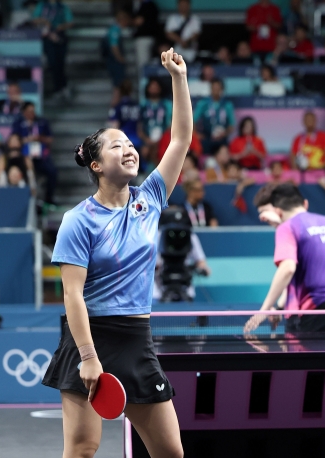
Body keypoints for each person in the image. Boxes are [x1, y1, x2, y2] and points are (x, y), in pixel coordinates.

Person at [41, 48, 191, 458]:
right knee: (83, 449)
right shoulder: (78, 220)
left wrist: (179, 79)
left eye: (130, 144)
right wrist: (88, 357)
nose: (128, 149)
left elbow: (180, 139)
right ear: (95, 165)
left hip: (136, 336)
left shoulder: (151, 198)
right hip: (89, 336)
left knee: (170, 451)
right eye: (115, 146)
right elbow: (72, 294)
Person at [244, 183, 325, 334]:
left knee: (310, 356)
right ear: (305, 204)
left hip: (322, 306)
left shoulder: (286, 228)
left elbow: (287, 269)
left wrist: (264, 310)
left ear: (278, 212)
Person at [12, 102, 57, 204]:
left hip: (40, 157)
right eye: (29, 111)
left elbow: (50, 139)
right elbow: (13, 140)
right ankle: (22, 200)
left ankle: (48, 199)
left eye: (33, 111)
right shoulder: (18, 123)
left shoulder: (42, 122)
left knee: (52, 172)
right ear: (23, 112)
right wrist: (26, 140)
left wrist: (40, 138)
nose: (31, 113)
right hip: (24, 156)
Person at [31, 0, 73, 99]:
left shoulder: (62, 7)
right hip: (46, 36)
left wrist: (60, 27)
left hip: (59, 36)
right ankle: (58, 88)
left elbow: (70, 22)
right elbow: (34, 19)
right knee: (53, 63)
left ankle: (63, 86)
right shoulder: (42, 5)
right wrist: (44, 22)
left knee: (60, 63)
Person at [193, 77, 235, 155]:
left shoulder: (227, 105)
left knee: (224, 155)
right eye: (214, 88)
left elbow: (232, 125)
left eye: (218, 88)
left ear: (222, 89)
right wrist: (197, 135)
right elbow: (193, 121)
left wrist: (224, 134)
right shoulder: (203, 103)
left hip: (222, 139)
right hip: (207, 138)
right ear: (211, 88)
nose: (216, 91)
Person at [138, 78, 172, 168]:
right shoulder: (143, 105)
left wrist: (160, 140)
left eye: (156, 87)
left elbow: (170, 125)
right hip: (147, 139)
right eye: (151, 87)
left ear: (160, 89)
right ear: (148, 89)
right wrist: (146, 140)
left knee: (160, 149)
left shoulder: (167, 104)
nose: (154, 90)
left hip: (164, 138)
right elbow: (139, 127)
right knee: (145, 151)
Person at [108, 80, 142, 156]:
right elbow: (139, 126)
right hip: (136, 140)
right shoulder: (136, 105)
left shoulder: (118, 107)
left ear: (120, 92)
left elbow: (114, 126)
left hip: (124, 141)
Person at [104, 9, 131, 89]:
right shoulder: (115, 30)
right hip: (114, 61)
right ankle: (115, 102)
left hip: (114, 60)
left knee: (120, 86)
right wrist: (120, 58)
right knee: (118, 86)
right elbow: (114, 46)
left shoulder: (116, 30)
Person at [133, 0, 160, 72]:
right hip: (146, 38)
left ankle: (145, 82)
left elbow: (139, 21)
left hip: (144, 39)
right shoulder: (137, 5)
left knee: (144, 64)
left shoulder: (149, 5)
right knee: (144, 64)